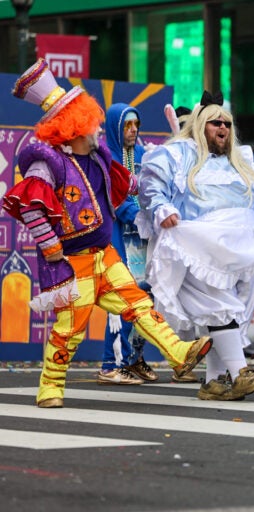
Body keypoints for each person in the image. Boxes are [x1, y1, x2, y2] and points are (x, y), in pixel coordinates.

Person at [2, 59, 212, 408]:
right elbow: (30, 205)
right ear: (74, 125)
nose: (98, 128)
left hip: (106, 255)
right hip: (74, 263)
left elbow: (124, 185)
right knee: (70, 330)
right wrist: (51, 245)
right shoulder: (48, 161)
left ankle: (179, 352)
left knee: (139, 305)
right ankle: (50, 387)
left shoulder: (99, 156)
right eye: (91, 122)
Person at [139, 90, 254, 401]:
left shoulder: (241, 162)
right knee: (220, 308)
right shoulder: (179, 154)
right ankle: (240, 373)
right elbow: (151, 184)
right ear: (200, 126)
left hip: (240, 247)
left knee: (227, 313)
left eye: (226, 123)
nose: (222, 128)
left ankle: (214, 382)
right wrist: (161, 208)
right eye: (214, 123)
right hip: (198, 245)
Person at [97, 103, 154, 385]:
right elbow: (115, 200)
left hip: (141, 239)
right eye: (127, 125)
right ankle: (111, 364)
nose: (132, 130)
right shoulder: (104, 156)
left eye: (135, 125)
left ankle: (134, 360)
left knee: (143, 296)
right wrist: (143, 218)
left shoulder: (141, 153)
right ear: (115, 127)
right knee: (121, 299)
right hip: (117, 234)